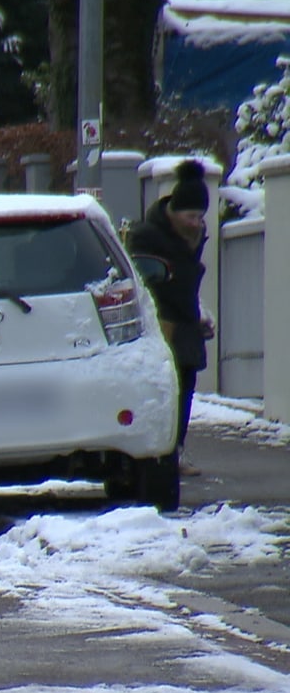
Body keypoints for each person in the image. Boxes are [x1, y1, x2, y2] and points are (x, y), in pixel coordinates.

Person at [126, 158, 214, 477]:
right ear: (174, 212)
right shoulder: (148, 236)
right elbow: (149, 282)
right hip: (162, 326)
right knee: (165, 390)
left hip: (186, 325)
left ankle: (176, 449)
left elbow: (188, 283)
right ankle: (160, 451)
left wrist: (199, 313)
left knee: (186, 387)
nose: (197, 223)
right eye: (191, 216)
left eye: (200, 217)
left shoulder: (190, 235)